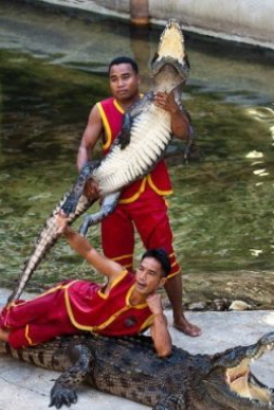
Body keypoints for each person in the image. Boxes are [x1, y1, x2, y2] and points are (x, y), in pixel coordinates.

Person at [76, 55, 201, 337]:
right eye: (114, 78)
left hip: (149, 194)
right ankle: (123, 319)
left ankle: (179, 317)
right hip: (114, 200)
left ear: (138, 78)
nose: (120, 83)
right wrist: (85, 177)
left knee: (166, 258)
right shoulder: (101, 110)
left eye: (126, 76)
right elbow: (85, 146)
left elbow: (184, 133)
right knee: (117, 264)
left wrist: (175, 110)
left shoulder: (158, 101)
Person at [0, 212, 173, 357]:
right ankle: (1, 311)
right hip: (66, 299)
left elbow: (163, 351)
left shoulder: (152, 314)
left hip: (75, 325)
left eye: (151, 273)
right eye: (141, 269)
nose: (142, 277)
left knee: (23, 339)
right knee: (12, 319)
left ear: (161, 281)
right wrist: (67, 230)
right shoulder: (120, 277)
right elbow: (89, 251)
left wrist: (159, 315)